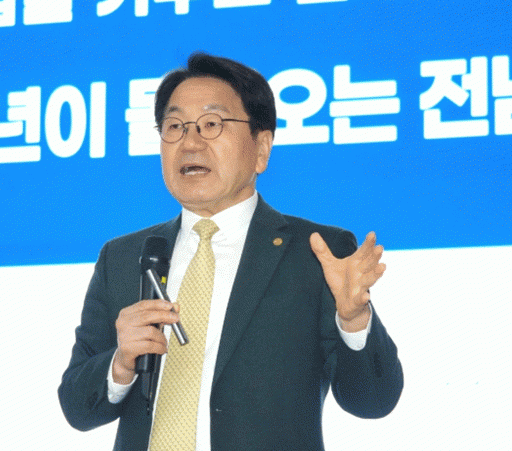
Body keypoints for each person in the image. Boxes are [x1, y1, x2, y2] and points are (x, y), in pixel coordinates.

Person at [58, 53, 403, 451]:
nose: (190, 142)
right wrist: (120, 365)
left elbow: (373, 402)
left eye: (212, 124)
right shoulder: (123, 257)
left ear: (261, 148)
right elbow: (77, 408)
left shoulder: (316, 253)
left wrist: (354, 320)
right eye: (174, 127)